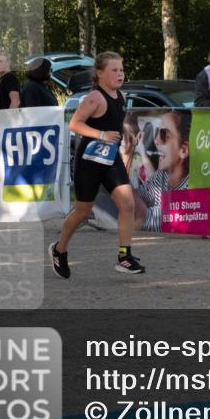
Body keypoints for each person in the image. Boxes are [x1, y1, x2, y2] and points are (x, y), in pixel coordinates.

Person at [49, 52, 145, 277]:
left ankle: (124, 256)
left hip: (109, 159)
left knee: (128, 204)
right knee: (83, 212)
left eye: (121, 70)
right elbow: (74, 124)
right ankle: (59, 249)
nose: (120, 74)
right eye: (114, 70)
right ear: (100, 74)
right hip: (89, 161)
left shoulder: (119, 96)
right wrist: (101, 134)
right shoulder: (94, 97)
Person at [136, 111, 190, 233]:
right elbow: (141, 195)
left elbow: (150, 218)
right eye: (157, 133)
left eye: (164, 134)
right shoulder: (162, 175)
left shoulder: (192, 186)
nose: (156, 141)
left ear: (183, 150)